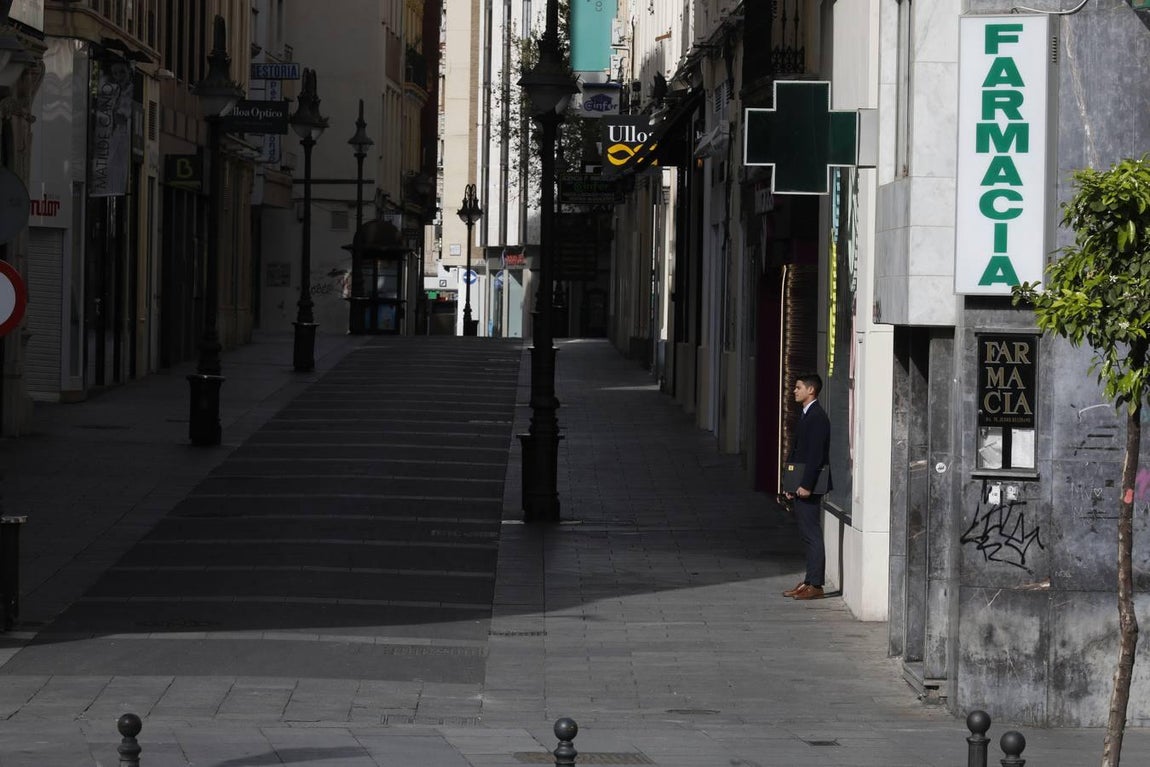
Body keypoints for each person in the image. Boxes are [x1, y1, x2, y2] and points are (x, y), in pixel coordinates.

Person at [782, 372, 832, 600]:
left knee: (812, 534)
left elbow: (815, 455)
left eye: (798, 387)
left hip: (809, 486)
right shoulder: (805, 414)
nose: (794, 390)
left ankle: (816, 585)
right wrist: (789, 484)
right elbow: (797, 453)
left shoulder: (817, 417)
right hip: (799, 484)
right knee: (806, 533)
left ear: (811, 390)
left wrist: (805, 485)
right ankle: (809, 580)